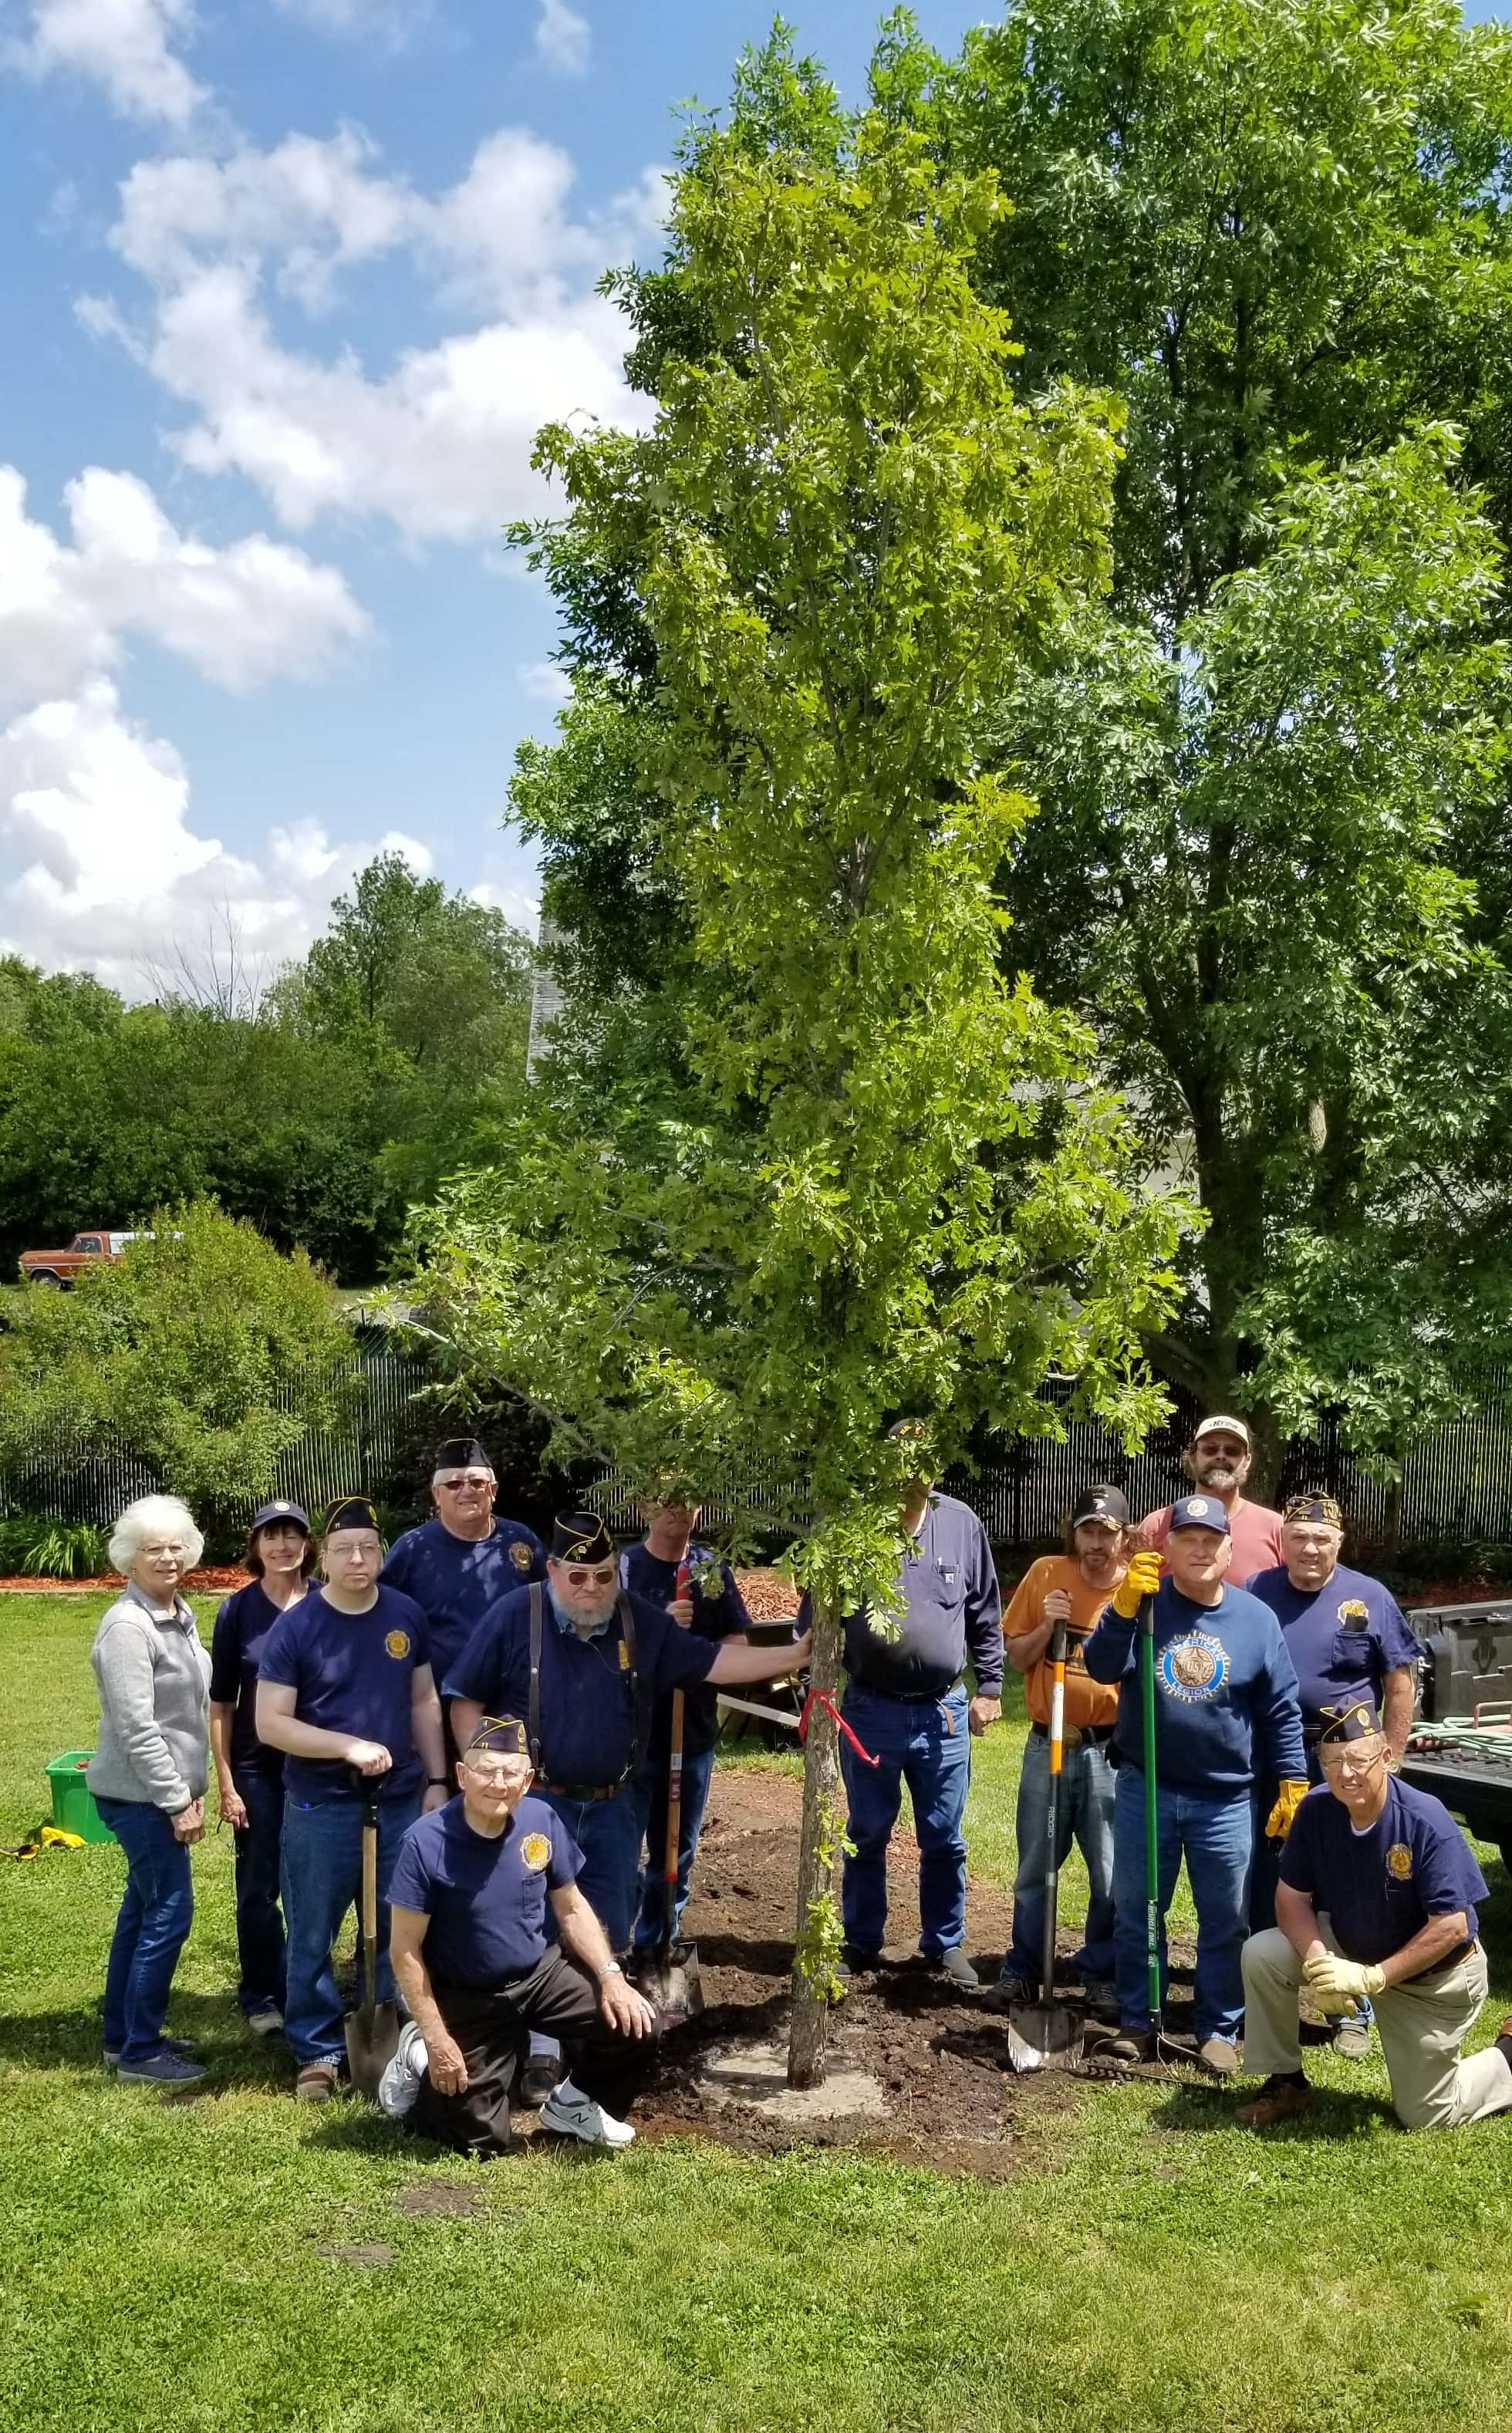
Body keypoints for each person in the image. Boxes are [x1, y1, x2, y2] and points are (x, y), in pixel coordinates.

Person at [445, 1512, 812, 1962]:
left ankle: (597, 2022)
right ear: (553, 1570)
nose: (591, 1587)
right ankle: (537, 2027)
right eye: (577, 1575)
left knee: (610, 1929)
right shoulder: (517, 1613)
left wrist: (795, 1654)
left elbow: (715, 1662)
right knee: (531, 1926)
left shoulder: (638, 1620)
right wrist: (483, 1777)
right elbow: (465, 1698)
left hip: (615, 1809)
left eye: (602, 1575)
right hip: (536, 1803)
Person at [1082, 1495, 1308, 2074]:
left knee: (1225, 1917)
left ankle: (1218, 2028)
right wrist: (1123, 1608)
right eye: (1188, 1539)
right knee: (1136, 1906)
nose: (1201, 1549)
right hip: (1146, 1786)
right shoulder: (1145, 1608)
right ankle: (1138, 2018)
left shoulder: (1256, 1619)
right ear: (1168, 1549)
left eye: (1212, 1539)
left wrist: (1293, 1780)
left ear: (1229, 1549)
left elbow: (1281, 1709)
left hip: (1226, 1797)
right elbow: (1102, 1667)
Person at [381, 1716, 659, 2155]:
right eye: (486, 1770)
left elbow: (571, 1906)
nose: (498, 1783)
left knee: (637, 2024)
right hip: (469, 1995)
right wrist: (438, 2039)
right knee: (480, 2142)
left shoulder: (541, 1819)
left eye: (511, 1773)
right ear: (461, 1775)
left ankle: (574, 2103)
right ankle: (416, 2056)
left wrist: (610, 1977)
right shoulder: (425, 1843)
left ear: (527, 1780)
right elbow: (405, 1951)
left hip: (539, 1975)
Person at [1237, 1699, 1512, 2132]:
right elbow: (1290, 1899)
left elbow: (1452, 1926)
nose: (1345, 1774)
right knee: (1262, 1953)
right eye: (1332, 1761)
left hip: (1431, 1979)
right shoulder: (1316, 1808)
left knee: (1427, 2115)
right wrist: (1318, 1962)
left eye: (1358, 1760)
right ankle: (1285, 2081)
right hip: (1353, 1946)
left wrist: (1374, 1979)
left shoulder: (1424, 1819)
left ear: (1386, 1758)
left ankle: (1509, 2054)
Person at [255, 1496, 449, 2101]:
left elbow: (422, 1702)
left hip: (398, 1802)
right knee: (312, 1929)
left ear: (381, 1553)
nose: (358, 1559)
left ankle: (393, 2036)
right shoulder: (297, 1627)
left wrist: (438, 1779)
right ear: (325, 1557)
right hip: (320, 1807)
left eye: (369, 1547)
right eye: (344, 1550)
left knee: (396, 1928)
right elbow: (270, 1723)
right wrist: (346, 1747)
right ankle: (316, 2049)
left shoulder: (405, 1615)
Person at [800, 1424, 1003, 1989]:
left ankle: (944, 1943)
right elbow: (818, 1616)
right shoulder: (853, 1529)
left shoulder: (961, 1523)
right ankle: (862, 1940)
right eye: (903, 1457)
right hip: (871, 1711)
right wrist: (809, 1684)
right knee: (867, 1830)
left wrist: (990, 1688)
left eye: (925, 1457)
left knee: (944, 1834)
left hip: (943, 1713)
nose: (913, 1469)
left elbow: (985, 1610)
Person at [1244, 1492, 1421, 2053]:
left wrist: (1389, 1753)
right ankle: (1264, 1999)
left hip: (1347, 1759)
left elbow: (1399, 1680)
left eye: (1322, 1538)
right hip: (1269, 1757)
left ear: (1339, 1543)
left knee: (1346, 1881)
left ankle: (1350, 2008)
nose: (1311, 1548)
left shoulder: (1369, 1597)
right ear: (1283, 1541)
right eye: (1299, 1537)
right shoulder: (1257, 1592)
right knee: (1264, 1876)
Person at [87, 1494, 212, 2084]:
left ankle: (123, 2036)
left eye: (174, 1546)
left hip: (161, 1790)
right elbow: (138, 1727)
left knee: (141, 1911)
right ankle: (140, 2052)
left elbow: (184, 1713)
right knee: (169, 1910)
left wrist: (195, 1786)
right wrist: (173, 1799)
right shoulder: (128, 1626)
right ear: (127, 1560)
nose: (166, 1557)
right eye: (151, 1549)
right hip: (140, 1796)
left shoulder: (176, 1612)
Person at [993, 1483, 1130, 2020]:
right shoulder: (1048, 1574)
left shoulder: (1137, 1591)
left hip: (1107, 1751)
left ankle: (1100, 1975)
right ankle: (1024, 1972)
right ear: (1073, 1533)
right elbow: (1016, 1657)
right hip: (1046, 1742)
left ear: (1123, 1536)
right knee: (1035, 1866)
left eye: (1107, 1533)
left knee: (1110, 1872)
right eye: (1087, 1531)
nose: (1095, 1543)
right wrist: (1049, 1624)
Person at [623, 1495, 764, 1963]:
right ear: (645, 1508)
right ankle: (612, 1945)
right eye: (666, 1502)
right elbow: (602, 1642)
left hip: (692, 1733)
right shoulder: (623, 1569)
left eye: (688, 1502)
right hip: (634, 1738)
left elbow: (738, 1639)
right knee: (622, 1846)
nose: (677, 1511)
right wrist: (660, 1628)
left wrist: (695, 1654)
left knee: (677, 1849)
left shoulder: (711, 1569)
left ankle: (658, 1941)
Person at [209, 1499, 315, 2036]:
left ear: (307, 1543)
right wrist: (226, 1781)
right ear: (255, 1547)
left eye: (292, 1535)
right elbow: (222, 1704)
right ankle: (260, 1994)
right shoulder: (237, 1611)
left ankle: (305, 1986)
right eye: (270, 1536)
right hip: (256, 1770)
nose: (282, 1546)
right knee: (258, 1886)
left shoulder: (328, 1602)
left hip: (318, 1769)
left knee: (310, 1886)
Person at [381, 1439, 547, 1767]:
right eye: (454, 1483)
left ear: (494, 1489)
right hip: (435, 1711)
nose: (466, 1491)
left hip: (514, 1706)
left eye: (477, 1482)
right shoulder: (412, 1550)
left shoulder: (521, 1542)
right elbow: (385, 1625)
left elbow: (552, 1607)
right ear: (437, 1495)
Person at [1139, 1416, 1284, 1584]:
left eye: (1232, 1451)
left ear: (1247, 1461)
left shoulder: (1275, 1528)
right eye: (1210, 1450)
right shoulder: (1157, 1525)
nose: (1221, 1456)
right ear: (1193, 1458)